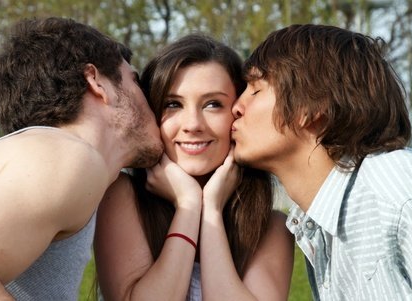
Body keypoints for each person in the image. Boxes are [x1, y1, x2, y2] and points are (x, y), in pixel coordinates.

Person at [0, 17, 163, 300]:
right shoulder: (72, 157)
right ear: (96, 81)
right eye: (134, 81)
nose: (148, 99)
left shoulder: (36, 153)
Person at [94, 34, 294, 301]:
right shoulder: (120, 195)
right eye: (173, 104)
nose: (192, 124)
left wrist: (210, 207)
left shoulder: (272, 226)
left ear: (237, 112)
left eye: (213, 104)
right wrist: (188, 206)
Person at [231, 24, 412, 300]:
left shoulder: (399, 186)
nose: (237, 106)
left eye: (255, 89)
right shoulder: (316, 230)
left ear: (312, 108)